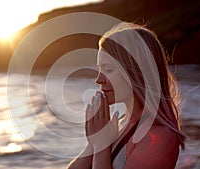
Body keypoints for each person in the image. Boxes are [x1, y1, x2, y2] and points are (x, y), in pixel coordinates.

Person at [68, 22, 186, 169]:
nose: (99, 79)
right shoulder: (118, 125)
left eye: (108, 69)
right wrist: (93, 142)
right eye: (99, 69)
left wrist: (101, 147)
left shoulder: (160, 137)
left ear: (137, 72)